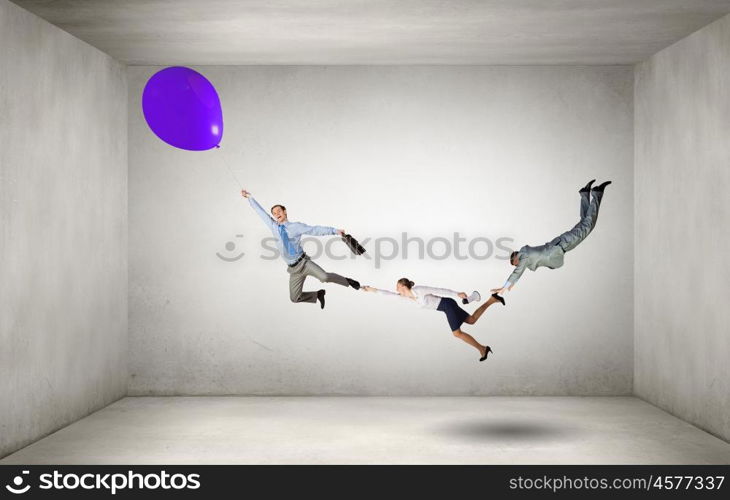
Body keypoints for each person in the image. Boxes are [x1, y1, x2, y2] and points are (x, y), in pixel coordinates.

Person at [241, 189, 360, 309]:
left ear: (285, 212)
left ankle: (347, 281)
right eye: (274, 213)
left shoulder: (296, 227)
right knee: (294, 298)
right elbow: (260, 212)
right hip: (294, 270)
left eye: (278, 211)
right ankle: (318, 294)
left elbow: (315, 230)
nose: (276, 214)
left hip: (304, 263)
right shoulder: (274, 227)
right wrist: (249, 197)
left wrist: (334, 231)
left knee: (324, 277)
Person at [492, 179, 611, 295]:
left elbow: (516, 273)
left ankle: (596, 193)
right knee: (584, 222)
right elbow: (521, 272)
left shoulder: (524, 256)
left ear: (516, 259)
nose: (519, 266)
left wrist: (505, 286)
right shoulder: (525, 253)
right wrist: (512, 285)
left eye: (516, 264)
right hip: (560, 244)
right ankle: (585, 194)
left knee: (588, 225)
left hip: (563, 245)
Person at [362, 279, 505, 362]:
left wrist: (457, 294)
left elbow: (439, 290)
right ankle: (492, 300)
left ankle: (482, 349)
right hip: (444, 308)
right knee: (472, 320)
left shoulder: (419, 290)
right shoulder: (404, 298)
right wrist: (370, 289)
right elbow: (387, 294)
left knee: (457, 333)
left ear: (404, 286)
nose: (396, 289)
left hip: (447, 304)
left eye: (398, 287)